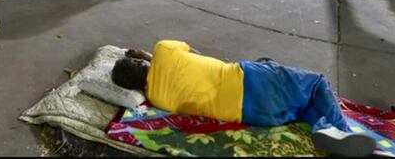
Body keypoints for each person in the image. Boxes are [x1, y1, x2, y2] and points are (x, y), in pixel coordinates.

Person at [111, 41, 377, 157]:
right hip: (250, 80)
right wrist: (147, 55)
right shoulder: (162, 50)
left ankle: (320, 127)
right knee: (316, 83)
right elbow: (190, 51)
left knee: (285, 86)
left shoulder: (156, 98)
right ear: (139, 61)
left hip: (255, 115)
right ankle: (342, 129)